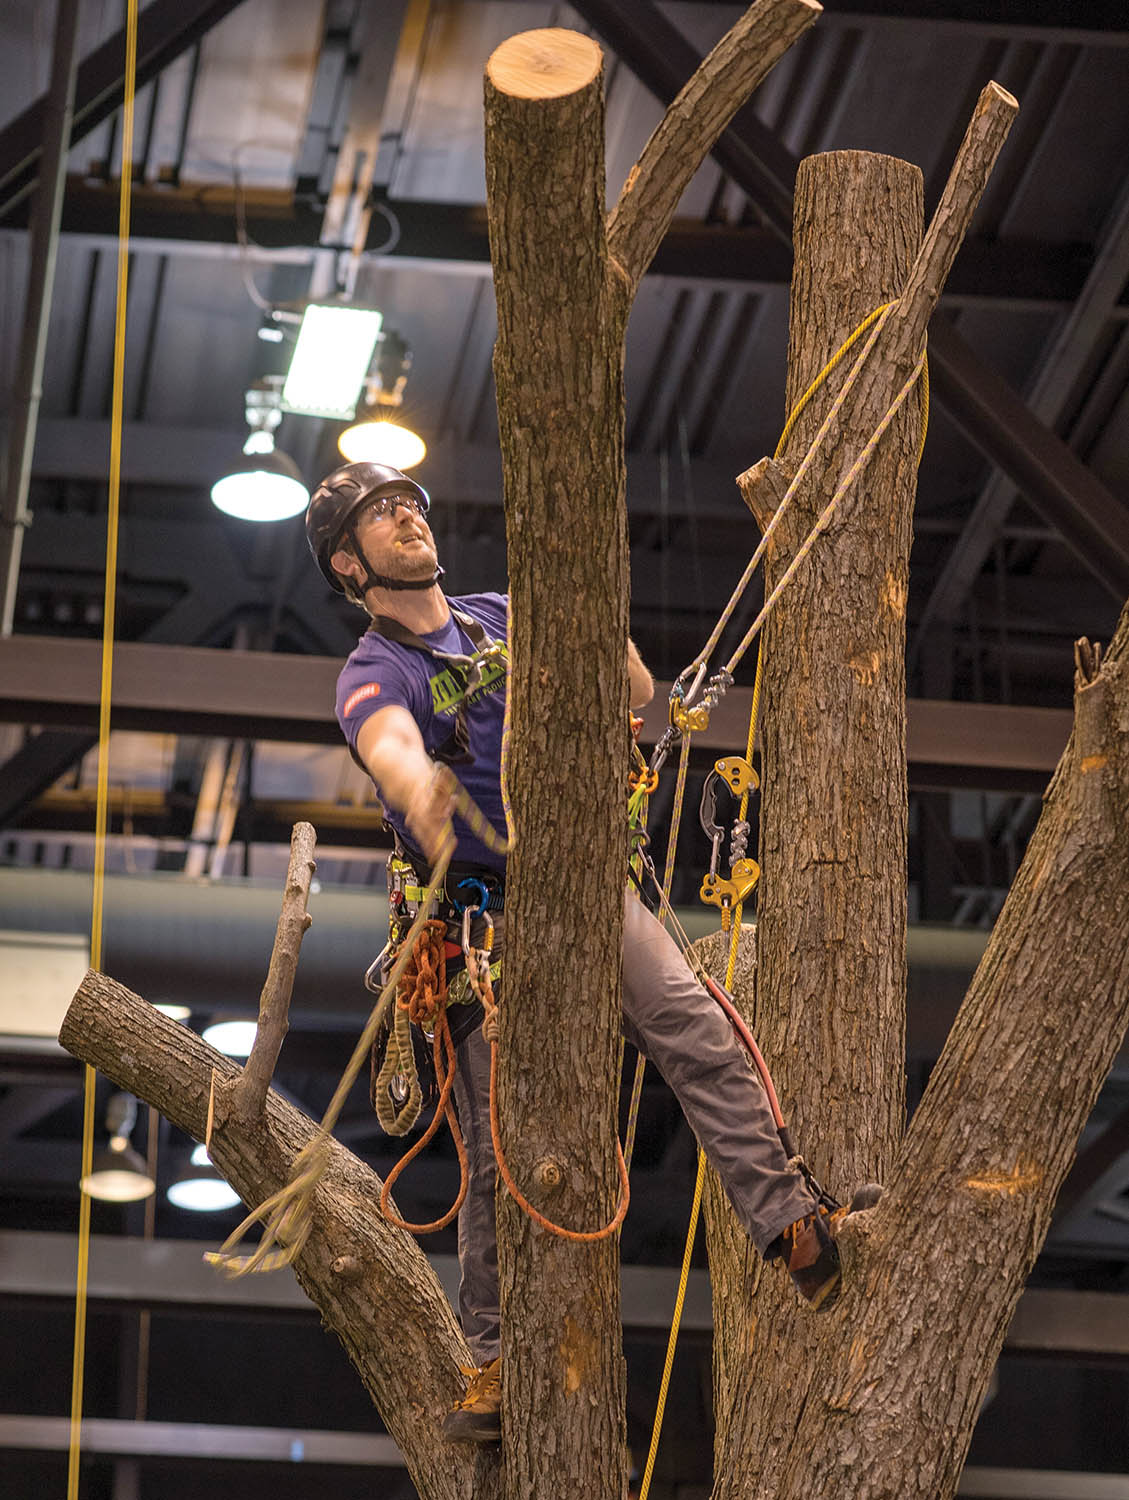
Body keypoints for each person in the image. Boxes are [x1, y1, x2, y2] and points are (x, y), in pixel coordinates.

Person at [306, 461, 875, 1443]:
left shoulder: (505, 614)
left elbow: (640, 691)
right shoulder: (380, 666)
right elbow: (386, 742)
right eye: (378, 517)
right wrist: (421, 790)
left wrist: (586, 635)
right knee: (499, 1150)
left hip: (582, 885)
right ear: (349, 565)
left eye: (408, 504)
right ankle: (491, 1363)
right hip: (487, 919)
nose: (404, 516)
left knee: (697, 1030)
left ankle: (794, 1229)